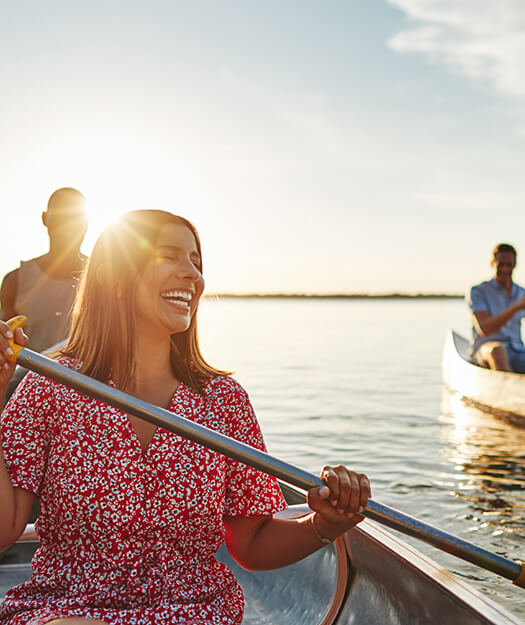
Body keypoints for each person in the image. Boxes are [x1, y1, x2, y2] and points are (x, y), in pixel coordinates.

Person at [0, 210, 371, 625]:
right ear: (114, 276)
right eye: (170, 256)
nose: (191, 274)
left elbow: (250, 546)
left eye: (196, 262)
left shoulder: (223, 402)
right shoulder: (49, 386)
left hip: (192, 614)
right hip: (66, 611)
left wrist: (322, 524)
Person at [0, 187, 88, 353]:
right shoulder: (15, 280)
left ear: (86, 223)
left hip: (81, 379)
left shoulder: (104, 280)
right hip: (23, 378)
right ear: (45, 218)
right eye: (61, 216)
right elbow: (4, 343)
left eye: (74, 217)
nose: (68, 223)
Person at [467, 242, 525, 372]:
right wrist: (516, 307)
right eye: (501, 265)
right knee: (498, 350)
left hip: (518, 351)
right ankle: (509, 390)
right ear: (492, 263)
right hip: (486, 350)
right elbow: (485, 328)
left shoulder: (521, 292)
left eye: (509, 265)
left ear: (515, 265)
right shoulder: (479, 291)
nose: (505, 269)